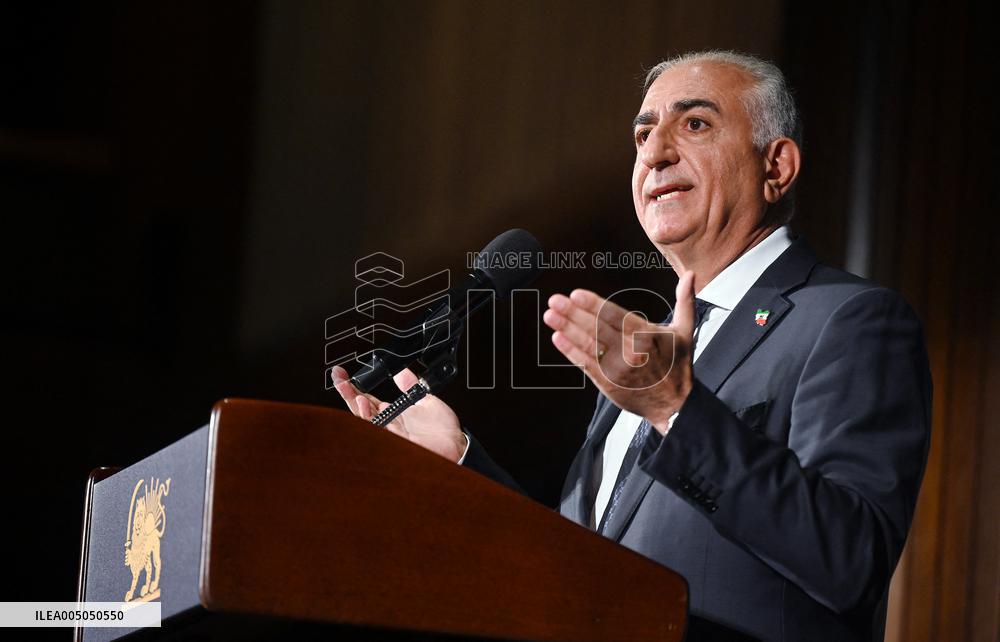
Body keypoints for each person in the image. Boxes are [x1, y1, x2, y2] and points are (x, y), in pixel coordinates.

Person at [333, 50, 931, 642]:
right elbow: (581, 573)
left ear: (776, 166)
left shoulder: (849, 321)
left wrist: (679, 411)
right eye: (643, 134)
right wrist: (463, 467)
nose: (655, 151)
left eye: (694, 124)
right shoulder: (645, 356)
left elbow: (852, 559)